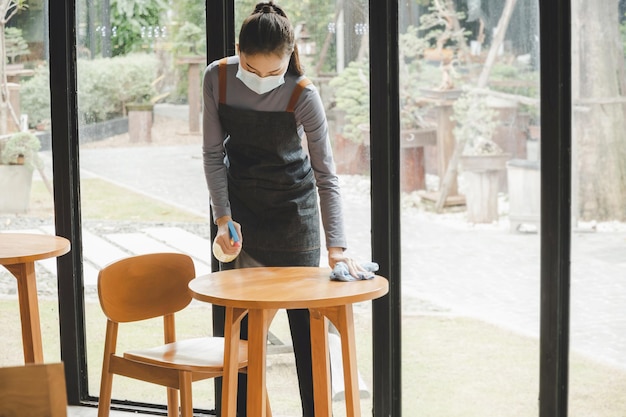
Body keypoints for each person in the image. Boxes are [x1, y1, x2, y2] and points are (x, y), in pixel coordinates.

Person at [202, 2, 366, 416]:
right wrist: (223, 217)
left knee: (307, 342)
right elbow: (211, 155)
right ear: (238, 51)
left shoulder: (303, 94)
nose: (261, 80)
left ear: (289, 58)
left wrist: (338, 248)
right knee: (234, 344)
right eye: (252, 70)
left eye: (272, 72)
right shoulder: (217, 79)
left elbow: (326, 175)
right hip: (241, 220)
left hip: (295, 217)